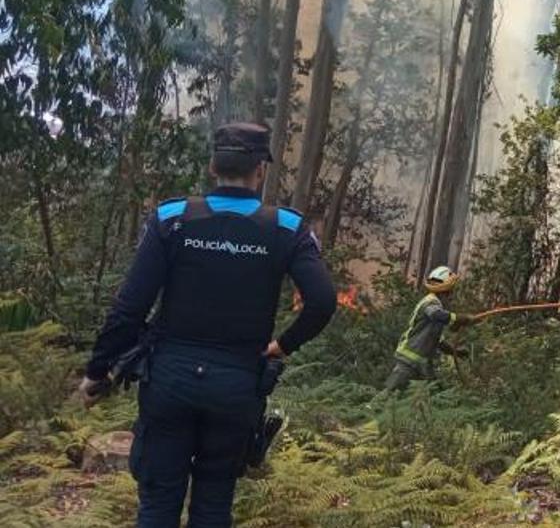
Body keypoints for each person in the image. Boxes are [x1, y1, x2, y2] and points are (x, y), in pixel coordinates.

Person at [78, 122, 337, 528]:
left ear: (213, 166)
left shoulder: (172, 218)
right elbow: (322, 302)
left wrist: (98, 372)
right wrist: (284, 345)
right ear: (261, 171)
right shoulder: (286, 228)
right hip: (236, 388)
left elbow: (129, 308)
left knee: (158, 505)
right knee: (214, 508)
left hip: (168, 381)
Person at [384, 266, 476, 390]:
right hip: (408, 361)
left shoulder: (437, 306)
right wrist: (461, 318)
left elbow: (437, 341)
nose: (452, 295)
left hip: (423, 364)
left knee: (431, 396)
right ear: (446, 290)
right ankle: (370, 409)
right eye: (451, 290)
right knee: (388, 394)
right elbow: (436, 315)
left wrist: (455, 352)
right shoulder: (430, 303)